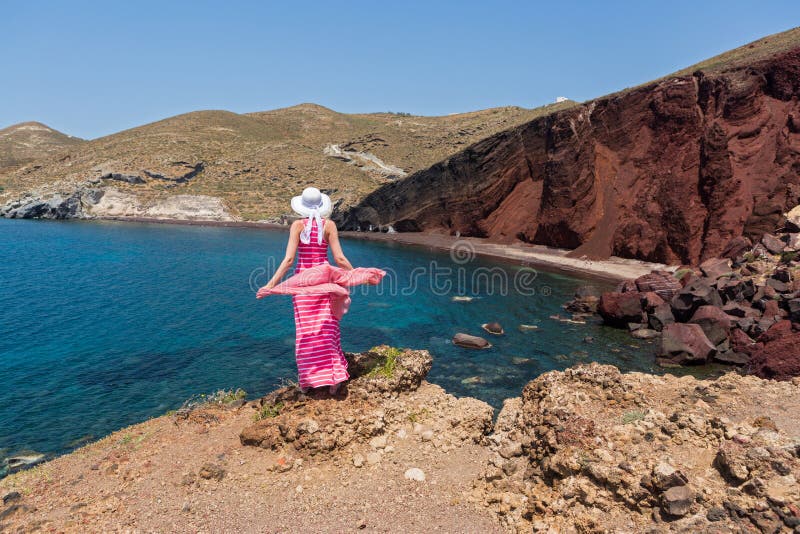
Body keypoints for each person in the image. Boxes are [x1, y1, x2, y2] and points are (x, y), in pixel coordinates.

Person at [261, 187, 378, 394]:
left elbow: (288, 260)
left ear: (302, 206)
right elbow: (340, 259)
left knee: (306, 334)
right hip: (325, 284)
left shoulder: (297, 225)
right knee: (327, 331)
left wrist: (271, 284)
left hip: (303, 286)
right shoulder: (329, 225)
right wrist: (358, 276)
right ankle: (333, 381)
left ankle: (307, 382)